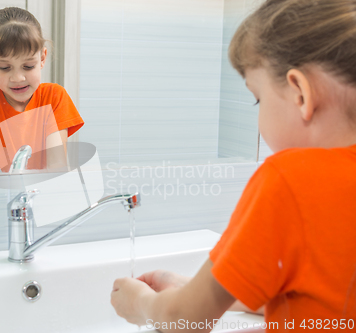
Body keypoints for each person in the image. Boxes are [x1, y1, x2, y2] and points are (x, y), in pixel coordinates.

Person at [110, 0, 356, 331]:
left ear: (300, 93)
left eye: (258, 97)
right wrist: (192, 286)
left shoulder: (289, 179)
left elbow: (183, 320)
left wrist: (140, 303)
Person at [0, 7, 84, 175]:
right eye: (5, 68)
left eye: (28, 66)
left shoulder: (54, 97)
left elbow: (57, 165)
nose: (17, 78)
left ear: (42, 58)